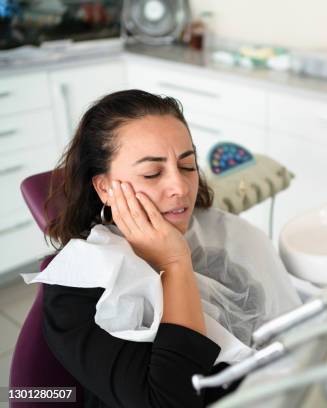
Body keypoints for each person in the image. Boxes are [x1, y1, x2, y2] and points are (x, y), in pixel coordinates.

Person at [41, 89, 245, 407]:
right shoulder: (76, 290)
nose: (180, 187)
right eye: (152, 173)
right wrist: (176, 264)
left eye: (188, 166)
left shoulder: (216, 237)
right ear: (105, 187)